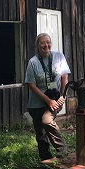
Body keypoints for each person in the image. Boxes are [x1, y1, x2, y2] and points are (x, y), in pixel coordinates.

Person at [25, 33, 71, 161]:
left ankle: (62, 150)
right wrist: (48, 101)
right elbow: (32, 86)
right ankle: (46, 161)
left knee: (46, 120)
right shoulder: (33, 62)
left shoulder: (59, 56)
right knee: (41, 134)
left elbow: (64, 77)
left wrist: (63, 96)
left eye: (48, 42)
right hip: (36, 103)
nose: (46, 45)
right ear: (38, 46)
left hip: (55, 100)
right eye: (43, 43)